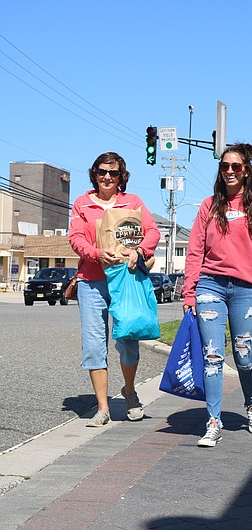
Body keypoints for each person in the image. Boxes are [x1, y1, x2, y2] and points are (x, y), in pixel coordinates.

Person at [183, 143, 252, 448]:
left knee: (244, 357)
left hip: (247, 290)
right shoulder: (209, 206)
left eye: (236, 167)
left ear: (246, 172)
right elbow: (194, 251)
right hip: (210, 286)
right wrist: (189, 292)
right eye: (224, 166)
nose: (229, 171)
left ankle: (251, 405)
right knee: (213, 357)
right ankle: (213, 421)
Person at [68, 152, 160, 427]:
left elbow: (153, 231)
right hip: (91, 281)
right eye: (102, 172)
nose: (107, 177)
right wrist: (96, 253)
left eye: (114, 173)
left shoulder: (132, 203)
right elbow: (74, 238)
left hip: (126, 280)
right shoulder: (82, 204)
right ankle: (103, 408)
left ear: (122, 177)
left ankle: (130, 393)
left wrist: (140, 251)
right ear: (94, 173)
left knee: (129, 340)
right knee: (95, 346)